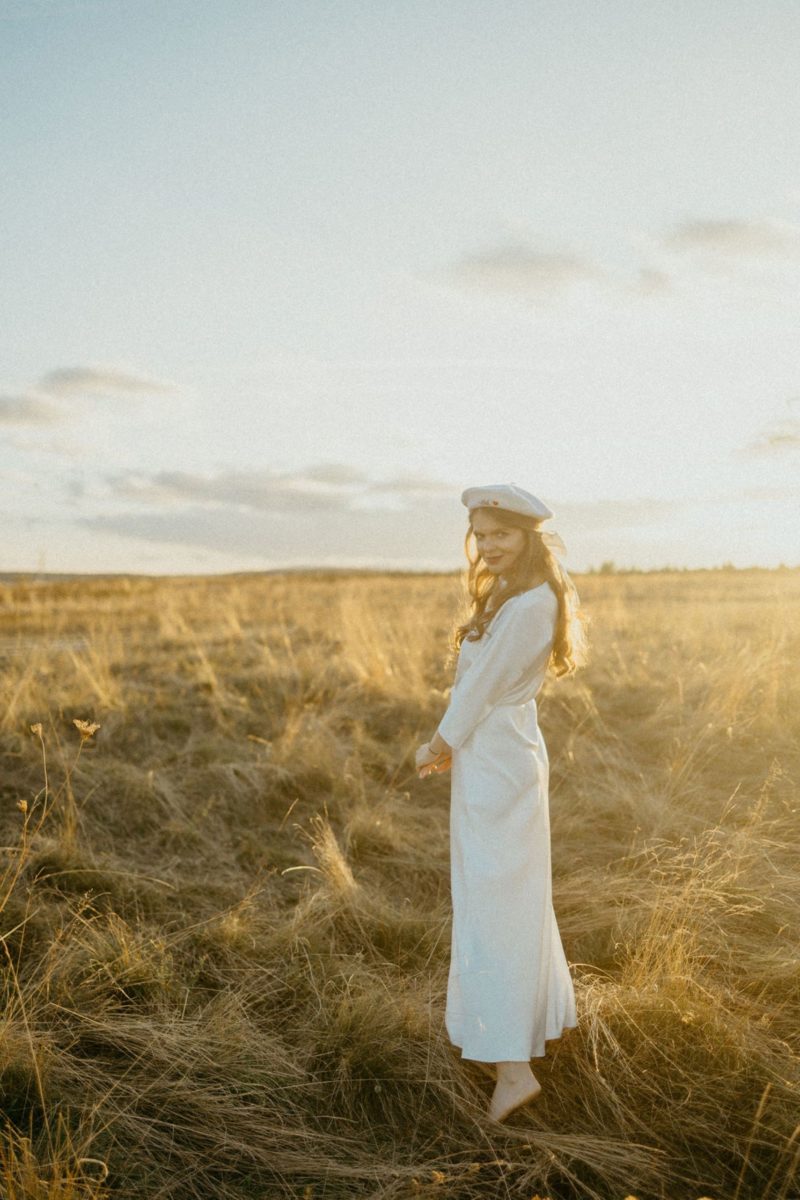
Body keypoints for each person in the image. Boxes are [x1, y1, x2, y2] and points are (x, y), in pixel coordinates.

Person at [415, 482, 588, 1123]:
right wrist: (458, 744)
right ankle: (520, 1034)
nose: (488, 545)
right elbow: (483, 688)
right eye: (481, 534)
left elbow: (482, 686)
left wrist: (437, 742)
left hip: (500, 764)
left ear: (528, 537)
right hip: (497, 753)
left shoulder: (530, 603)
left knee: (497, 905)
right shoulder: (517, 594)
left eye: (502, 534)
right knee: (505, 899)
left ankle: (513, 1069)